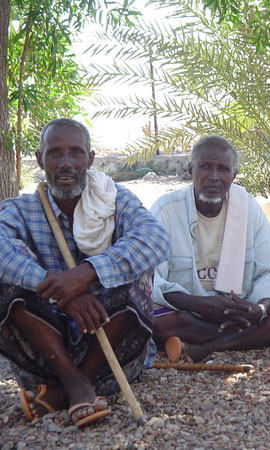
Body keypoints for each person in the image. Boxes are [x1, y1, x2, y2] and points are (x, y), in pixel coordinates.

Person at [0, 118, 169, 426]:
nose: (66, 164)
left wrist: (88, 273)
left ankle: (76, 385)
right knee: (8, 279)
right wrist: (59, 292)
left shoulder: (114, 200)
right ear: (40, 160)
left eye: (76, 153)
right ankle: (72, 380)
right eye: (55, 154)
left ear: (90, 159)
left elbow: (155, 238)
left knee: (137, 273)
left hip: (113, 364)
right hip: (43, 362)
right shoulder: (22, 209)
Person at [150, 135, 270, 362]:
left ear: (233, 176)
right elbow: (150, 280)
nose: (214, 177)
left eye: (223, 169)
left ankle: (207, 346)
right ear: (190, 170)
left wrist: (260, 309)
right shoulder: (165, 210)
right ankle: (241, 339)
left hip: (241, 311)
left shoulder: (247, 207)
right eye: (206, 167)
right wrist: (199, 304)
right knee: (147, 317)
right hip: (189, 312)